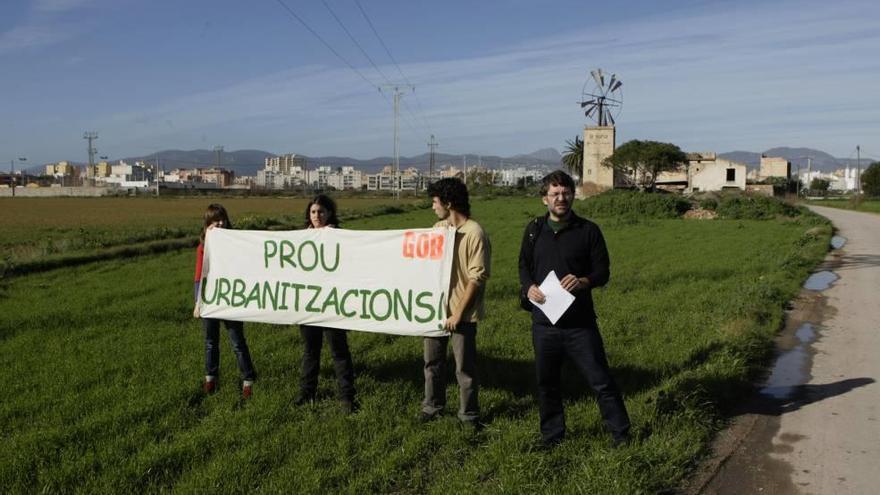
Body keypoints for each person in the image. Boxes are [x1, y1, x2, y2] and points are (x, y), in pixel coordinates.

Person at [518, 170, 630, 447]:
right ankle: (552, 437)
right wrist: (527, 287)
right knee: (547, 384)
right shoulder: (533, 230)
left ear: (573, 195)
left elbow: (603, 272)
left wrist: (583, 281)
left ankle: (621, 435)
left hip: (580, 324)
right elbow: (524, 266)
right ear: (545, 199)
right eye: (554, 193)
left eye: (566, 192)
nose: (561, 198)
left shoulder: (588, 230)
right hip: (544, 323)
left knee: (601, 381)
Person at [421, 178, 491, 428]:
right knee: (432, 362)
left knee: (464, 368)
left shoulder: (475, 233)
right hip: (436, 310)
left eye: (435, 202)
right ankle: (432, 406)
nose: (433, 207)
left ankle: (468, 415)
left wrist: (458, 314)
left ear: (448, 203)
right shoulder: (439, 228)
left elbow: (476, 278)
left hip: (463, 313)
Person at [295, 194, 357, 413]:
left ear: (330, 213)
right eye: (313, 212)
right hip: (309, 304)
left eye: (321, 211)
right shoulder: (300, 238)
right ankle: (306, 393)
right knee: (311, 350)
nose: (316, 216)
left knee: (338, 351)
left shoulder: (340, 237)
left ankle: (346, 397)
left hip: (333, 304)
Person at [194, 203, 257, 399]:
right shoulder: (203, 247)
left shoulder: (235, 243)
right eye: (215, 220)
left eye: (223, 219)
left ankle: (248, 379)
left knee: (237, 341)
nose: (220, 224)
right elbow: (199, 276)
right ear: (207, 224)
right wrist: (198, 302)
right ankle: (211, 378)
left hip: (231, 298)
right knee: (210, 342)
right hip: (210, 298)